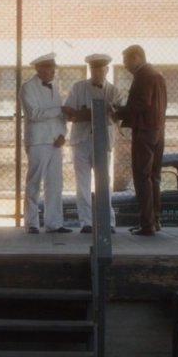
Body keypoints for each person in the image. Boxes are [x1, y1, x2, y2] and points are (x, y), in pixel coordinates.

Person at [62, 53, 126, 234]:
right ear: (90, 70)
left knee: (103, 182)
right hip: (81, 140)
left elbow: (120, 115)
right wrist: (88, 114)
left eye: (101, 69)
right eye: (94, 69)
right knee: (82, 183)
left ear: (106, 70)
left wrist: (112, 112)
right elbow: (68, 111)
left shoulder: (114, 91)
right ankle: (86, 222)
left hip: (103, 141)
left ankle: (108, 222)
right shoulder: (78, 87)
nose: (97, 72)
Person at [114, 45, 167, 237]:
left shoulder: (143, 75)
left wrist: (119, 112)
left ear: (136, 57)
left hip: (144, 131)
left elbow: (142, 103)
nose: (125, 65)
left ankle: (147, 224)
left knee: (142, 177)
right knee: (154, 177)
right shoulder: (157, 75)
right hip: (158, 131)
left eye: (126, 60)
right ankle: (155, 220)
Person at [21, 53, 72, 234]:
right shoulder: (27, 87)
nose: (53, 72)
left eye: (54, 68)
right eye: (50, 68)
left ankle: (54, 223)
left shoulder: (55, 88)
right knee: (34, 182)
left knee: (55, 183)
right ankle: (32, 223)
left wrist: (63, 134)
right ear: (39, 69)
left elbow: (59, 117)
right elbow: (33, 114)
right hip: (38, 140)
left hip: (55, 141)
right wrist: (59, 110)